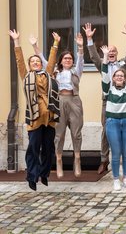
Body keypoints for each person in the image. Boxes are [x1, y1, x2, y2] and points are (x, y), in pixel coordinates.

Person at [10, 30, 60, 191]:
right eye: (33, 61)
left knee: (48, 148)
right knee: (33, 148)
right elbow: (19, 61)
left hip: (50, 117)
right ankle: (32, 176)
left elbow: (51, 61)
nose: (36, 63)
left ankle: (44, 174)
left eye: (38, 61)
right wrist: (16, 42)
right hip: (35, 117)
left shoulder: (48, 74)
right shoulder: (26, 76)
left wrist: (55, 43)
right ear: (30, 65)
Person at [84, 22, 126, 174]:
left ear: (117, 52)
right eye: (109, 51)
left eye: (114, 51)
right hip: (107, 102)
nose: (111, 52)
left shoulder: (123, 64)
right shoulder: (103, 64)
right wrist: (89, 39)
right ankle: (104, 160)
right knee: (107, 130)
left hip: (124, 102)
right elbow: (93, 56)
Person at [100, 46, 126, 191]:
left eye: (122, 75)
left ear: (124, 78)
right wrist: (105, 55)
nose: (119, 77)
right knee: (115, 153)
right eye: (117, 76)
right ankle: (116, 179)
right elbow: (104, 74)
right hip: (112, 123)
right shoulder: (108, 90)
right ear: (113, 78)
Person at [52, 33, 85, 178]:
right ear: (61, 60)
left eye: (70, 58)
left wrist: (80, 47)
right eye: (65, 58)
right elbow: (44, 60)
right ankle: (58, 160)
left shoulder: (76, 71)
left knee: (76, 132)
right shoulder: (55, 71)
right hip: (59, 101)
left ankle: (77, 159)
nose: (68, 60)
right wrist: (36, 47)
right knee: (59, 134)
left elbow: (81, 61)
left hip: (74, 100)